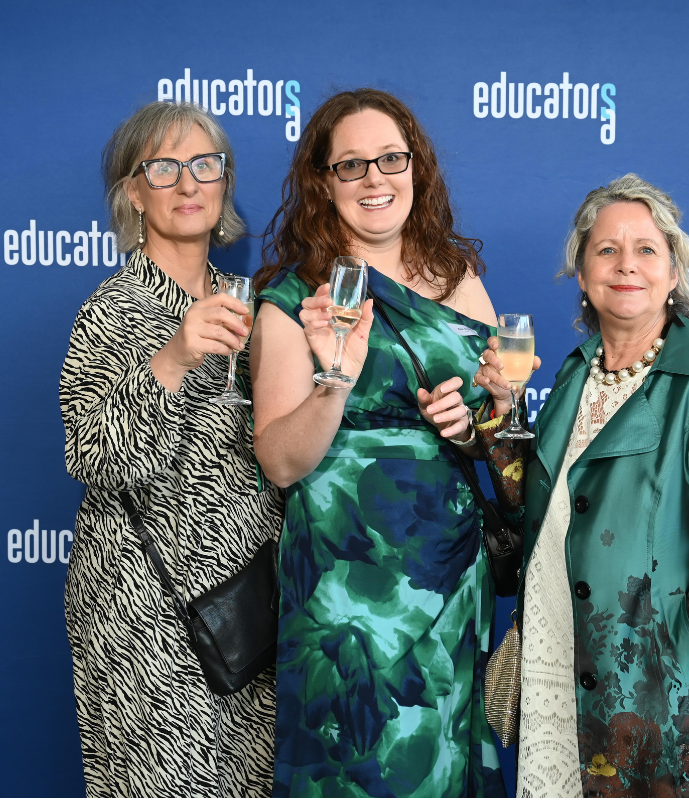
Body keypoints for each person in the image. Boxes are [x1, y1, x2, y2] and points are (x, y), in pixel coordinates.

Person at [473, 174, 689, 797]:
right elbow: (541, 513)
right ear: (582, 275)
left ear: (673, 273)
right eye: (606, 250)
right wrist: (502, 419)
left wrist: (665, 665)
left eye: (645, 250)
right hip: (558, 670)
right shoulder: (570, 378)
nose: (625, 265)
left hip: (660, 704)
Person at [250, 88, 506, 797]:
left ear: (416, 167)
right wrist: (335, 377)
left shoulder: (462, 282)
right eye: (351, 165)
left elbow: (497, 432)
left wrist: (478, 422)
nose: (374, 179)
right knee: (356, 768)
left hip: (446, 575)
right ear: (322, 183)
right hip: (345, 597)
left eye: (390, 159)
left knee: (439, 763)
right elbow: (278, 460)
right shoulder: (293, 297)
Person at [59, 101, 283, 798]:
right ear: (133, 192)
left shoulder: (249, 303)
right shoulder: (113, 310)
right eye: (163, 168)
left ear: (223, 185)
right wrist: (176, 355)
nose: (188, 183)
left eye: (203, 165)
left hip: (247, 605)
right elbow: (90, 455)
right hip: (148, 612)